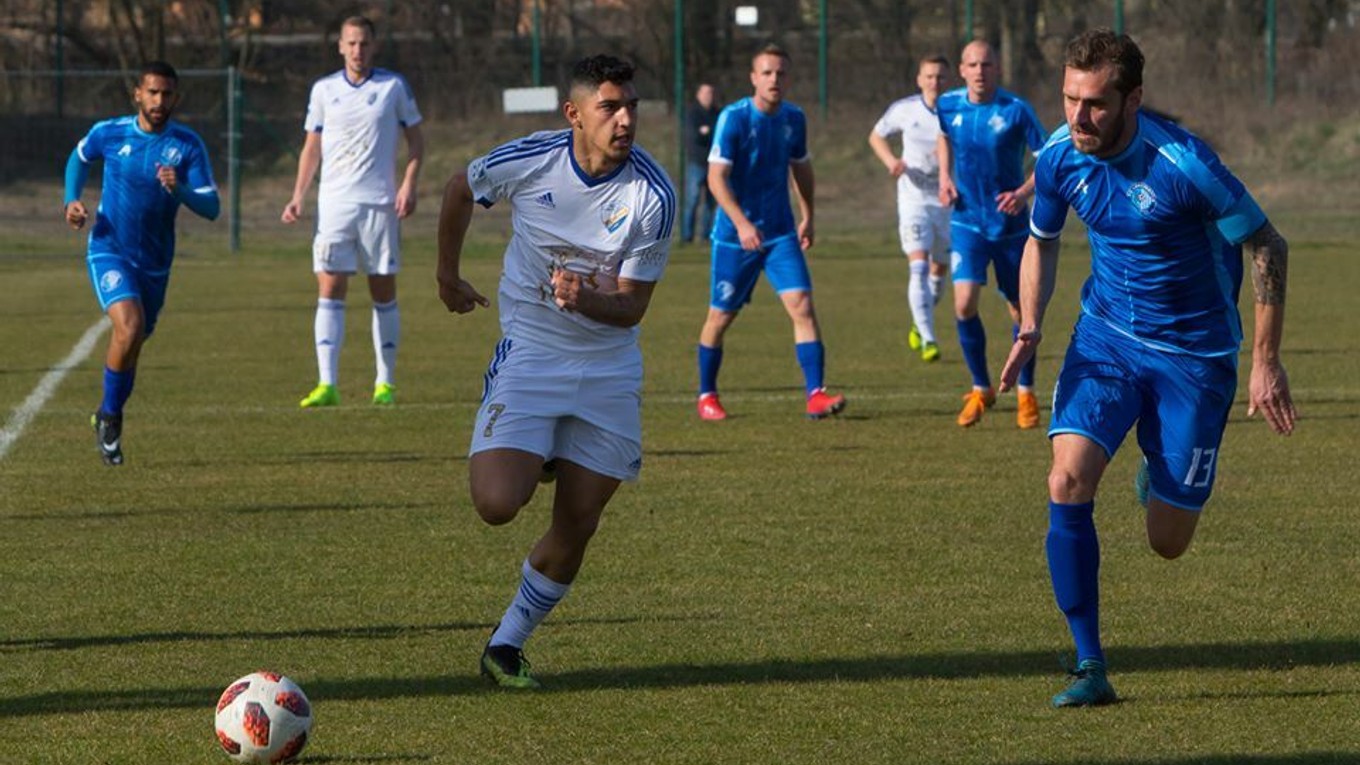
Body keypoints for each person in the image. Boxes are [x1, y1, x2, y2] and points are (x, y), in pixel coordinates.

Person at [999, 28, 1296, 707]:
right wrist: (1030, 322)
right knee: (1066, 477)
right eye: (1070, 98)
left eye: (1096, 104)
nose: (1078, 117)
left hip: (1195, 358)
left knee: (1168, 540)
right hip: (1104, 340)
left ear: (1133, 99)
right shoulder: (1057, 155)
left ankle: (1156, 459)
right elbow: (1040, 243)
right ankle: (1088, 664)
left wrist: (1265, 361)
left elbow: (1266, 243)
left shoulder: (1183, 162)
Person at [435, 54, 675, 689]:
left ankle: (506, 645)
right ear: (574, 114)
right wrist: (446, 274)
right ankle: (539, 452)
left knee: (578, 520)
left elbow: (631, 308)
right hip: (533, 352)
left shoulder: (652, 195)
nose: (626, 120)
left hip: (607, 368)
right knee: (495, 503)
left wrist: (584, 298)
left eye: (631, 107)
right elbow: (460, 188)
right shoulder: (529, 159)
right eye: (610, 108)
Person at [63, 61, 220, 466]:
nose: (159, 101)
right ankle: (111, 419)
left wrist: (180, 189)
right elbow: (78, 158)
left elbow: (212, 207)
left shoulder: (187, 145)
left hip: (155, 262)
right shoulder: (110, 133)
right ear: (137, 94)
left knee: (132, 345)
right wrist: (72, 200)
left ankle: (106, 411)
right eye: (152, 92)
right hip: (109, 247)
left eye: (166, 94)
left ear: (176, 98)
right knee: (128, 326)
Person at [695, 43, 846, 421]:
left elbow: (801, 168)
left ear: (789, 78)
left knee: (803, 306)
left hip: (779, 233)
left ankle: (815, 394)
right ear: (753, 78)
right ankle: (707, 395)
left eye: (780, 73)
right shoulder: (734, 118)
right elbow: (716, 179)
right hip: (734, 236)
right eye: (767, 72)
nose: (774, 79)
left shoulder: (793, 118)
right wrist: (743, 224)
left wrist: (808, 215)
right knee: (720, 317)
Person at [282, 15, 424, 408]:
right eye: (351, 43)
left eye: (364, 43)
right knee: (329, 288)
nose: (358, 50)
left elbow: (416, 142)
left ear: (373, 46)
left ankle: (386, 383)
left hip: (379, 203)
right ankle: (327, 384)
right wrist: (298, 196)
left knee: (383, 290)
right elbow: (312, 148)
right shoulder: (324, 90)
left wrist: (409, 184)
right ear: (340, 47)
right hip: (334, 205)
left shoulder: (393, 86)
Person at [936, 40, 1047, 428]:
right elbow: (943, 137)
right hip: (967, 221)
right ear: (962, 71)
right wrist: (945, 176)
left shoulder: (1016, 110)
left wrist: (1021, 193)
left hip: (1012, 228)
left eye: (986, 64)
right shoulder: (948, 105)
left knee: (1021, 312)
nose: (980, 71)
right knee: (964, 303)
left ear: (997, 69)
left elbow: (1046, 159)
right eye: (972, 64)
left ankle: (1026, 394)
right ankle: (980, 388)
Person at [868, 54, 952, 363]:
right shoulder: (905, 109)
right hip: (913, 199)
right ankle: (929, 339)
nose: (935, 82)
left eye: (941, 77)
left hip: (947, 201)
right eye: (929, 76)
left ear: (948, 80)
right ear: (919, 79)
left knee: (939, 270)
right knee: (918, 265)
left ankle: (919, 324)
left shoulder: (956, 110)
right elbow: (876, 136)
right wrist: (891, 161)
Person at [681, 83, 720, 243]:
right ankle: (687, 236)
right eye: (705, 93)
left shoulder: (718, 113)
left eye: (711, 93)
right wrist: (708, 132)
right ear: (698, 95)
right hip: (697, 163)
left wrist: (707, 131)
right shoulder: (692, 113)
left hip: (714, 165)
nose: (708, 96)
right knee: (693, 200)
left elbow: (721, 135)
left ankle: (706, 236)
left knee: (711, 203)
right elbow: (694, 137)